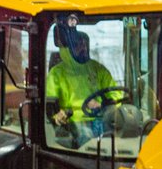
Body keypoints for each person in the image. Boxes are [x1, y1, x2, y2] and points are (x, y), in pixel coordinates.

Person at [46, 20, 119, 148]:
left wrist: (102, 104)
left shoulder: (98, 69)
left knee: (119, 140)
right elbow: (50, 103)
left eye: (85, 44)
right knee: (86, 137)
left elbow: (116, 94)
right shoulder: (56, 74)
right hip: (73, 122)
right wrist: (58, 114)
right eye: (78, 45)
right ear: (67, 48)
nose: (83, 48)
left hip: (101, 119)